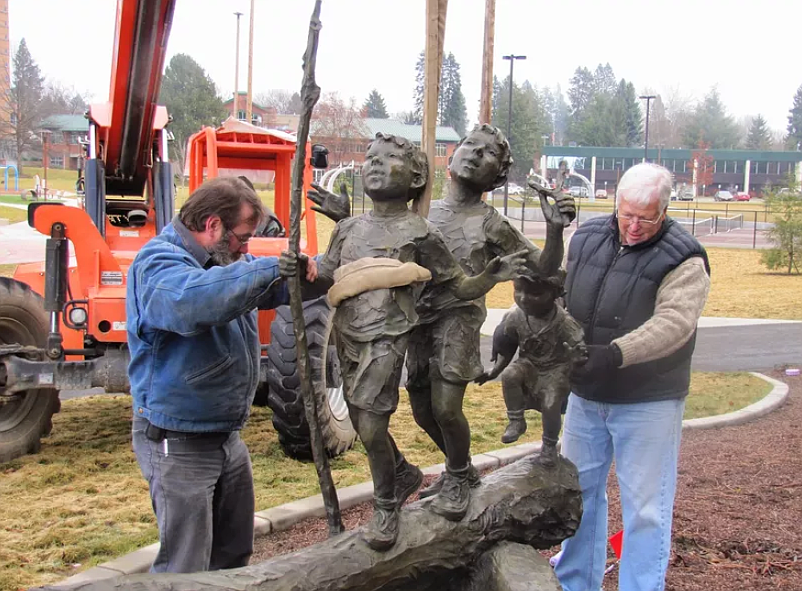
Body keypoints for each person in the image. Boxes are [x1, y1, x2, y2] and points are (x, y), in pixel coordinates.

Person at [308, 125, 575, 521]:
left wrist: (555, 230)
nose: (473, 154)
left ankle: (456, 474)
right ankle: (461, 470)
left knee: (447, 407)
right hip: (416, 318)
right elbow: (382, 240)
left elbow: (545, 268)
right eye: (469, 146)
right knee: (421, 410)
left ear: (497, 177)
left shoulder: (491, 223)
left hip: (459, 316)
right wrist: (345, 219)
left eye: (487, 155)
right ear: (449, 158)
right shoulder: (420, 210)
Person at [126, 176, 317, 573]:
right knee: (186, 567)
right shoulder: (158, 263)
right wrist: (268, 269)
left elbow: (265, 288)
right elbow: (195, 301)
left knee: (232, 555)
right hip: (179, 441)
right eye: (242, 238)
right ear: (213, 225)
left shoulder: (225, 263)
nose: (246, 249)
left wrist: (323, 274)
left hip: (226, 437)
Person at [554, 163, 711, 591]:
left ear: (664, 211)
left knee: (646, 509)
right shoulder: (584, 238)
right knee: (579, 497)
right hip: (586, 397)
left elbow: (676, 324)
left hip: (649, 400)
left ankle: (641, 585)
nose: (635, 226)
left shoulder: (685, 257)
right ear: (616, 203)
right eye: (627, 214)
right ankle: (574, 581)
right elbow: (557, 295)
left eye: (647, 217)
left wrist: (617, 354)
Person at [475, 272, 586, 466]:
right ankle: (516, 420)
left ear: (554, 295)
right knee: (510, 375)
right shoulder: (516, 317)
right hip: (528, 365)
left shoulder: (564, 322)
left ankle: (549, 446)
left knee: (551, 402)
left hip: (556, 368)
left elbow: (579, 348)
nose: (523, 298)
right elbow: (508, 347)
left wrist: (575, 360)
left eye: (534, 293)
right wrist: (495, 371)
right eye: (518, 290)